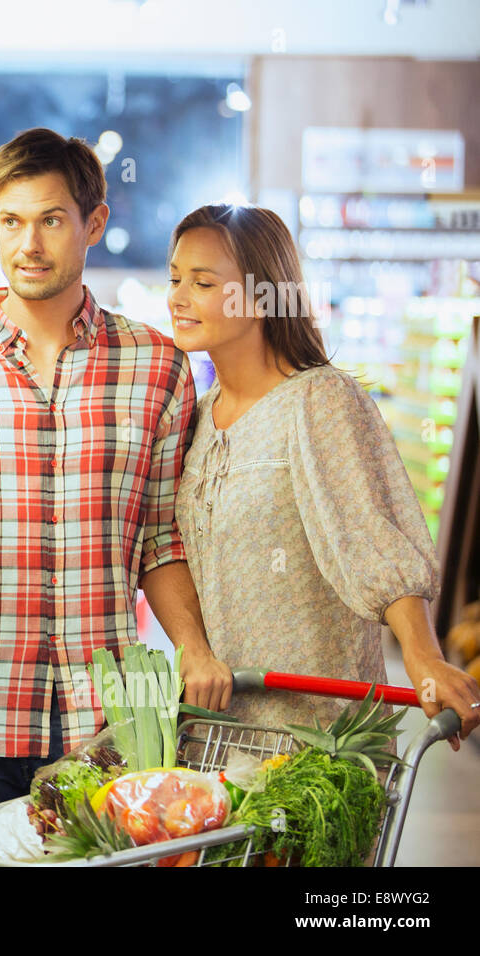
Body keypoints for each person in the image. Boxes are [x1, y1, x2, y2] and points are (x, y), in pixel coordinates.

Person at [0, 128, 232, 823]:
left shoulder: (157, 367)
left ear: (93, 223)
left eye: (51, 220)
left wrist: (193, 647)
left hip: (105, 730)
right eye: (10, 221)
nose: (27, 244)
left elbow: (159, 538)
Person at [167, 203, 480, 745]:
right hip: (220, 736)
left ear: (262, 295)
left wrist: (425, 658)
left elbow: (374, 538)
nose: (177, 297)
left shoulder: (319, 400)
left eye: (202, 282)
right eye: (175, 279)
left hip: (318, 743)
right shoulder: (198, 416)